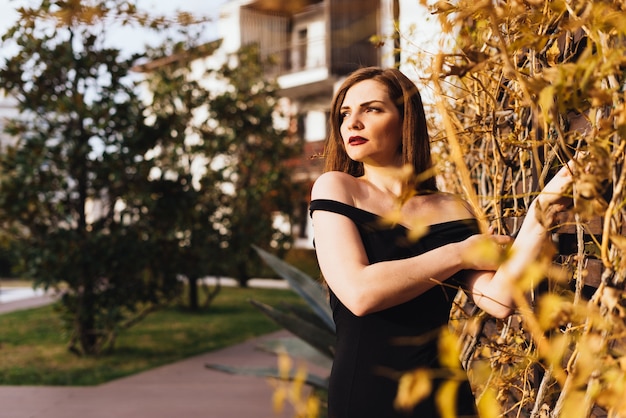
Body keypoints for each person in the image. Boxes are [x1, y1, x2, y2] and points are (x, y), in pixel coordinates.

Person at [309, 66, 574, 418]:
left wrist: (539, 217)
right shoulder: (337, 188)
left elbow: (498, 299)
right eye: (345, 113)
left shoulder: (451, 207)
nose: (352, 123)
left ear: (406, 120)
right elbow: (360, 294)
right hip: (368, 395)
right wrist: (459, 253)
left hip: (446, 396)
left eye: (371, 109)